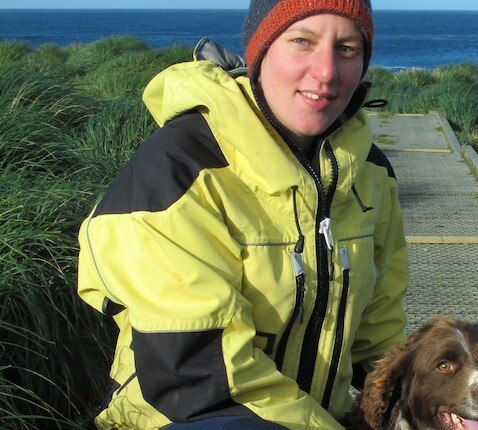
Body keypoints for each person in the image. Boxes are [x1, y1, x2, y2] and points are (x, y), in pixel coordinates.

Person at [76, 1, 409, 429]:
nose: (326, 72)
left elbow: (381, 332)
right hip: (193, 419)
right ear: (260, 51)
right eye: (302, 42)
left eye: (346, 49)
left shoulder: (371, 172)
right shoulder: (177, 172)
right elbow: (205, 379)